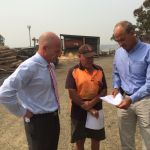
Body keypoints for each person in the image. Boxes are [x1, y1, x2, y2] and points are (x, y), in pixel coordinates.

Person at [0, 32, 62, 150]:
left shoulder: (50, 66)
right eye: (57, 51)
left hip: (53, 119)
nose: (59, 54)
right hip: (38, 123)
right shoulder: (29, 67)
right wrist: (22, 112)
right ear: (44, 49)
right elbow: (4, 93)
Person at [112, 20, 150, 150]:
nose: (120, 44)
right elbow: (116, 73)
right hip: (124, 100)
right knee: (126, 140)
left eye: (122, 39)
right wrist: (116, 87)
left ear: (133, 33)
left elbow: (149, 84)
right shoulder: (118, 53)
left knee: (148, 139)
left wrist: (131, 99)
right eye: (117, 41)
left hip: (145, 101)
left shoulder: (148, 51)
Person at [65, 44, 107, 150]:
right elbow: (72, 93)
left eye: (92, 57)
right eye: (87, 57)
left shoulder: (99, 70)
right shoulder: (73, 71)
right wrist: (87, 107)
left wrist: (92, 104)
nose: (90, 59)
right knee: (80, 141)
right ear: (79, 56)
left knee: (96, 139)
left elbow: (104, 90)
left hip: (96, 108)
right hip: (78, 110)